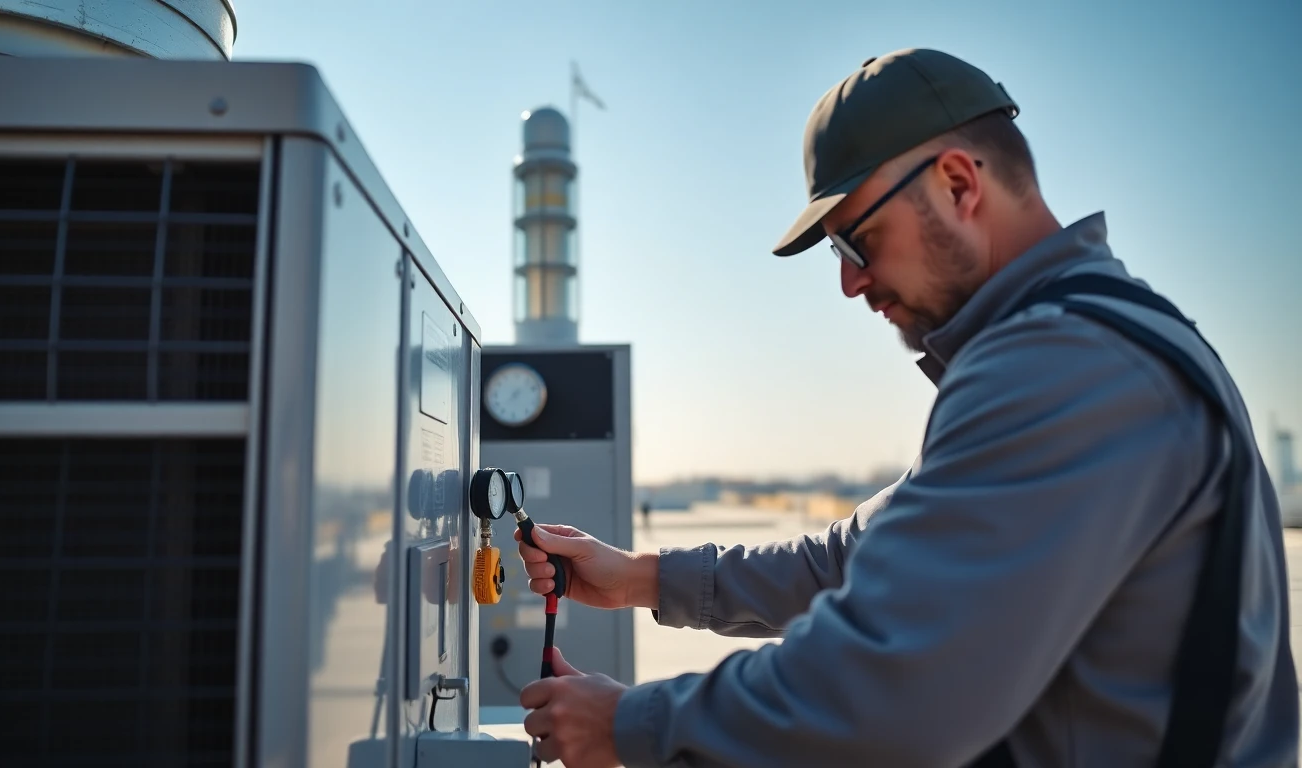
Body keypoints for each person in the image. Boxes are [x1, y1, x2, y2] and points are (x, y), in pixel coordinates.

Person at [513, 48, 1299, 768]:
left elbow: (885, 690)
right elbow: (855, 558)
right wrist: (641, 578)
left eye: (857, 241)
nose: (851, 284)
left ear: (959, 184)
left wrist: (630, 724)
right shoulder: (1093, 336)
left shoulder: (1059, 364)